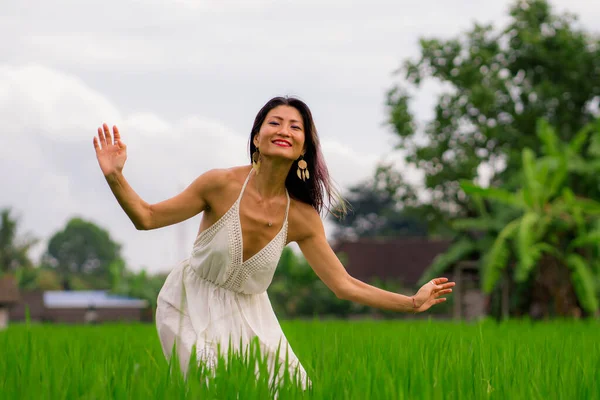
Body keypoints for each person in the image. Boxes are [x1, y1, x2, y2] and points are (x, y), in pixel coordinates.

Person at [93, 96, 455, 389]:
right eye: (275, 122)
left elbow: (342, 285)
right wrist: (116, 178)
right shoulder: (219, 185)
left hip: (252, 317)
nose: (284, 130)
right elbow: (148, 218)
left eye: (295, 126)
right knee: (216, 386)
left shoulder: (301, 218)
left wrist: (410, 303)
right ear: (256, 138)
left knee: (297, 390)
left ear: (302, 149)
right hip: (189, 302)